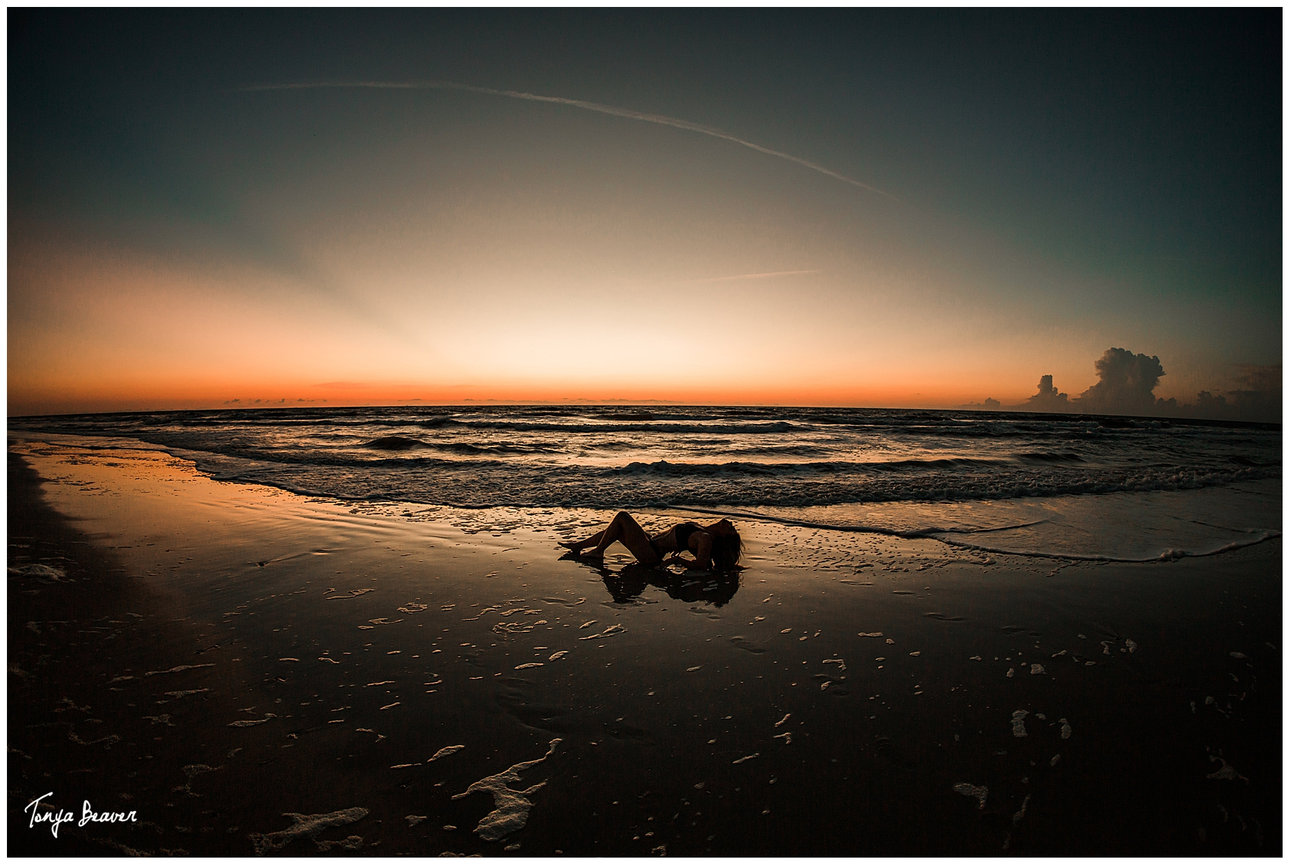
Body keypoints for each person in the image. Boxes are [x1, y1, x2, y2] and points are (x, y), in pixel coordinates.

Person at [560, 512, 743, 571]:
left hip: (652, 553)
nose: (730, 524)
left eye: (731, 529)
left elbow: (702, 564)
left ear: (724, 537)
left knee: (623, 517)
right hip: (651, 544)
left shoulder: (705, 538)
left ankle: (598, 552)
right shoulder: (704, 531)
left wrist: (675, 561)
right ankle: (579, 546)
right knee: (616, 529)